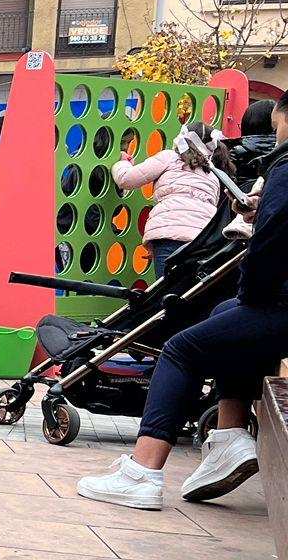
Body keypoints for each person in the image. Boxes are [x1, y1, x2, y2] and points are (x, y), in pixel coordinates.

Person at [78, 95, 288, 510]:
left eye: (278, 125)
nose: (276, 134)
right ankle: (229, 437)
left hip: (279, 303)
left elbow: (271, 244)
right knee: (226, 318)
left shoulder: (284, 166)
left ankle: (143, 472)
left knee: (180, 348)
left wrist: (250, 294)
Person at [115, 124, 223, 279]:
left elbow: (126, 179)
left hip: (169, 239)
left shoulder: (170, 158)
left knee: (167, 290)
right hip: (203, 241)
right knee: (190, 291)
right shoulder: (212, 175)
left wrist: (122, 162)